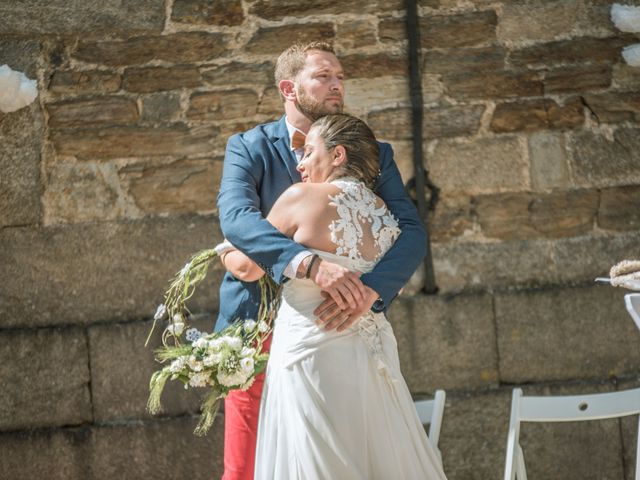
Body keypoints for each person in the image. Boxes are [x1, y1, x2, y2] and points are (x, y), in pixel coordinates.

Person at [216, 41, 427, 480]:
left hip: (344, 324)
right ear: (290, 88)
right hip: (255, 324)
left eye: (340, 78)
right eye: (324, 76)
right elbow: (236, 218)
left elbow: (411, 230)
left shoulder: (375, 152)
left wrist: (371, 290)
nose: (337, 85)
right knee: (245, 465)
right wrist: (310, 265)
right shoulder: (249, 147)